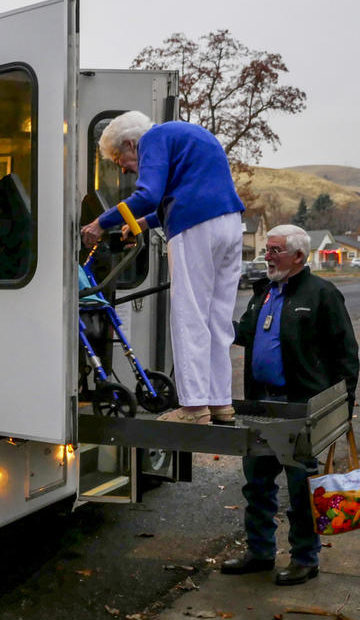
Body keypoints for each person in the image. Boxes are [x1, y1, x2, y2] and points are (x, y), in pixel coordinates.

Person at [81, 111, 245, 424]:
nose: (128, 170)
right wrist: (141, 223)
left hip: (195, 227)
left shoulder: (152, 139)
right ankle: (220, 402)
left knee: (189, 313)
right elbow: (186, 195)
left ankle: (195, 408)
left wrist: (101, 223)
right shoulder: (190, 135)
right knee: (217, 317)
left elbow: (149, 195)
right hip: (230, 224)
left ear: (131, 143)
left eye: (123, 161)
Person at [222, 224, 359, 586]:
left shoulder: (322, 294)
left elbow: (345, 355)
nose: (267, 255)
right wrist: (211, 320)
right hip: (261, 406)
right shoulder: (264, 293)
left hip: (300, 410)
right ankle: (260, 553)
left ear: (299, 256)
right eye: (267, 249)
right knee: (258, 485)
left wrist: (343, 409)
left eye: (275, 250)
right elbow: (246, 334)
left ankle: (304, 558)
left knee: (301, 490)